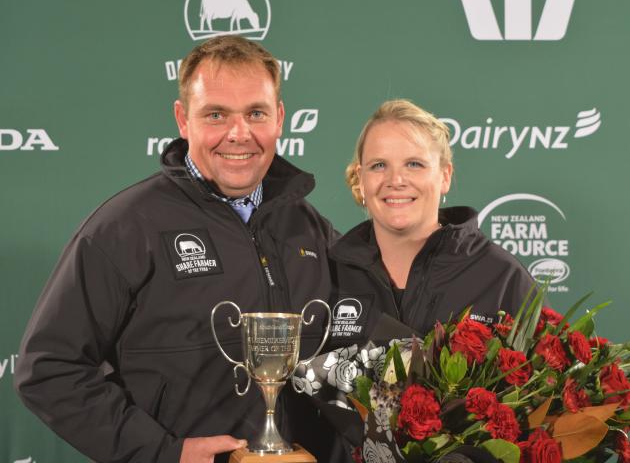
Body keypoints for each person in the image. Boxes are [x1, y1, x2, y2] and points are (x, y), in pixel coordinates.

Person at [14, 36, 340, 463]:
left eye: (255, 113)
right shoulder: (125, 228)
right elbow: (49, 371)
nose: (238, 133)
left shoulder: (311, 228)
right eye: (216, 114)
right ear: (183, 120)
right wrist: (162, 453)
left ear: (279, 118)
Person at [327, 99, 535, 349]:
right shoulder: (327, 273)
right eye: (379, 165)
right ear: (361, 179)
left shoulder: (502, 277)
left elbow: (545, 380)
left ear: (445, 176)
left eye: (414, 164)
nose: (396, 180)